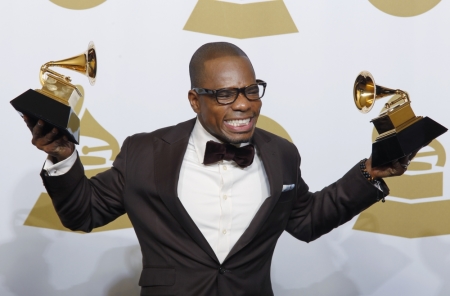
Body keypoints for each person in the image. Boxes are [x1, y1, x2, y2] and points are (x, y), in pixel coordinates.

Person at [24, 42, 413, 296]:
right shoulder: (145, 152)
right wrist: (62, 156)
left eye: (251, 90)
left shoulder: (282, 154)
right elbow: (84, 213)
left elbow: (307, 220)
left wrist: (371, 174)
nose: (243, 104)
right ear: (195, 100)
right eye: (225, 94)